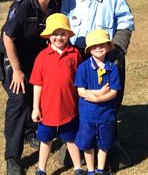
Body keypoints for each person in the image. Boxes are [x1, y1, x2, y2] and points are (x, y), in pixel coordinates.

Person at [0, 0, 62, 175]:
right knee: (17, 100)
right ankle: (13, 157)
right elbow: (8, 38)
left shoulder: (57, 5)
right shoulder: (23, 5)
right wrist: (16, 70)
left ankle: (30, 132)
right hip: (12, 56)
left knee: (38, 96)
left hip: (35, 60)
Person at [29, 13, 85, 175]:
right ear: (49, 36)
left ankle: (78, 168)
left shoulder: (75, 54)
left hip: (69, 108)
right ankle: (41, 169)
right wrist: (35, 108)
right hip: (47, 110)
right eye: (55, 34)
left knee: (71, 139)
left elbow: (80, 81)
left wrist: (80, 104)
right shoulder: (42, 57)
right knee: (45, 141)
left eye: (62, 33)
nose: (58, 37)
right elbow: (37, 84)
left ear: (68, 35)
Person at [74, 29, 122, 175]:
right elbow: (81, 91)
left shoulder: (112, 68)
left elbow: (113, 93)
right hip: (87, 115)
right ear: (89, 50)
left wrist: (97, 99)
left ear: (108, 46)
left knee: (104, 144)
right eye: (94, 46)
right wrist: (100, 93)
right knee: (88, 144)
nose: (98, 48)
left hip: (106, 115)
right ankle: (90, 170)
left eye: (102, 45)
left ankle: (100, 169)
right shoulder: (83, 67)